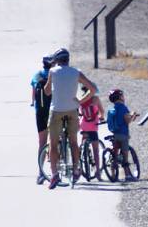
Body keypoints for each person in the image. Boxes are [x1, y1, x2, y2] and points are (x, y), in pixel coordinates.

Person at [43, 47, 96, 190]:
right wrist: (81, 101)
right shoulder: (76, 72)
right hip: (72, 109)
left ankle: (54, 175)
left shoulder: (52, 72)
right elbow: (93, 89)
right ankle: (77, 169)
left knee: (53, 143)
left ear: (57, 61)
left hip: (57, 110)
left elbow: (47, 92)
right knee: (73, 141)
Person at [30, 55, 54, 185]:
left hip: (40, 112)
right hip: (53, 110)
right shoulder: (54, 74)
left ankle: (40, 173)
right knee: (55, 140)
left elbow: (34, 92)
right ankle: (54, 171)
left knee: (42, 142)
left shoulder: (37, 75)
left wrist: (33, 102)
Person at [107, 89, 139, 181]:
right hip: (123, 134)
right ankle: (127, 175)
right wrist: (132, 115)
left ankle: (113, 175)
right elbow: (127, 120)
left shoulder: (111, 109)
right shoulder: (123, 107)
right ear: (120, 97)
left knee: (115, 155)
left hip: (114, 134)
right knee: (125, 154)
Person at [79, 84, 105, 181]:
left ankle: (79, 165)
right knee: (95, 150)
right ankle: (97, 171)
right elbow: (102, 111)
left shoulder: (81, 99)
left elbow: (80, 113)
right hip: (93, 126)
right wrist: (101, 117)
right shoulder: (96, 99)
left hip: (83, 125)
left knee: (82, 145)